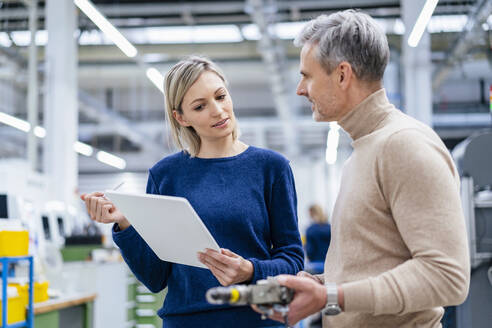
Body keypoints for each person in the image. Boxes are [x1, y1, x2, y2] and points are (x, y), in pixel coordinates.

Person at [262, 10, 470, 327]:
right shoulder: (363, 151)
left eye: (307, 75)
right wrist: (321, 285)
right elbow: (375, 262)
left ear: (343, 75)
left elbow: (447, 276)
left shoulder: (404, 145)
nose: (300, 89)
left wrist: (335, 295)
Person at [81, 56, 304, 328]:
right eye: (200, 106)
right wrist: (125, 223)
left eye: (221, 96)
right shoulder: (166, 175)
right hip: (186, 321)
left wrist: (251, 270)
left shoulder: (271, 168)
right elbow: (155, 278)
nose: (218, 111)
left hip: (258, 319)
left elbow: (292, 259)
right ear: (181, 117)